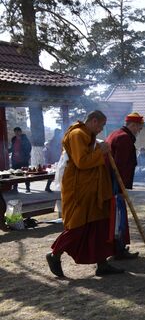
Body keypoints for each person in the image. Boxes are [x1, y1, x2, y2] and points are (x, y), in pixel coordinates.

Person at [46, 110, 122, 277]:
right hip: (80, 189)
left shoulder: (88, 135)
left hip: (94, 189)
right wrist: (100, 151)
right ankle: (54, 255)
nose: (102, 129)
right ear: (94, 121)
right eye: (101, 125)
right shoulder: (77, 134)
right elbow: (82, 162)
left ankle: (102, 264)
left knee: (99, 225)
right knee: (78, 227)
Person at [105, 112, 144, 260]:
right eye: (138, 128)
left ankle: (118, 247)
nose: (138, 131)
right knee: (118, 217)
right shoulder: (123, 138)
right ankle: (118, 249)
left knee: (117, 217)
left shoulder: (117, 134)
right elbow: (119, 166)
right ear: (132, 125)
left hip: (113, 182)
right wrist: (121, 188)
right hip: (115, 184)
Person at [9, 127, 32, 192]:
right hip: (15, 160)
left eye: (18, 132)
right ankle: (15, 188)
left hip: (23, 160)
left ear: (20, 132)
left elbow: (29, 148)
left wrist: (21, 153)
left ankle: (27, 188)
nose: (16, 133)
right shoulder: (13, 139)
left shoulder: (25, 139)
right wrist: (7, 150)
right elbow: (12, 148)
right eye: (15, 132)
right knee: (14, 174)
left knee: (26, 174)